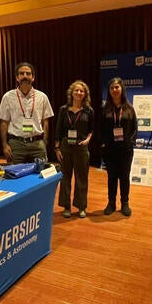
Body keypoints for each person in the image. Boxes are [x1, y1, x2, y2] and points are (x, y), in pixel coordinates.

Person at [0, 62, 54, 164]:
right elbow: (4, 122)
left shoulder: (42, 97)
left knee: (40, 176)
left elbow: (46, 121)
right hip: (16, 144)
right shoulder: (7, 97)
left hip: (37, 144)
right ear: (17, 77)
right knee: (15, 175)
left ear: (33, 77)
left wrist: (44, 142)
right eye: (21, 73)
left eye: (28, 74)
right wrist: (4, 145)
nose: (25, 76)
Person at [54, 80, 94, 218]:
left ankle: (81, 207)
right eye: (76, 90)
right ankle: (66, 206)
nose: (78, 92)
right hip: (65, 147)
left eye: (81, 91)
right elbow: (58, 130)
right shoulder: (63, 110)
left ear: (85, 94)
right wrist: (57, 148)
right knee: (65, 177)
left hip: (81, 147)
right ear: (72, 92)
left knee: (81, 178)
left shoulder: (89, 111)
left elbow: (91, 130)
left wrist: (88, 139)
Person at [100, 77, 138, 216]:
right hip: (110, 150)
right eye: (112, 88)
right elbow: (100, 129)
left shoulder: (129, 108)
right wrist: (104, 144)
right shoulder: (104, 109)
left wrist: (130, 142)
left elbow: (134, 128)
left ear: (122, 89)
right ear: (109, 91)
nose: (114, 90)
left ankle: (125, 203)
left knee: (124, 176)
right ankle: (111, 203)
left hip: (126, 150)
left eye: (117, 87)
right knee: (112, 177)